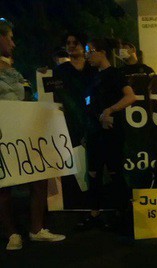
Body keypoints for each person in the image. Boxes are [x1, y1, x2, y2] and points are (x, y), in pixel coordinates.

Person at [0, 17, 65, 251]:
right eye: (10, 38)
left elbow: (28, 98)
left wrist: (46, 101)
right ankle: (12, 234)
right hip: (2, 134)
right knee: (3, 184)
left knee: (39, 177)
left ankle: (36, 229)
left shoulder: (14, 68)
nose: (13, 43)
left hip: (23, 131)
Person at [78, 38, 137, 230]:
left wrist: (110, 110)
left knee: (114, 171)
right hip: (94, 132)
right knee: (93, 172)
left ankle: (123, 214)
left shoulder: (115, 74)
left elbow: (130, 96)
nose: (88, 56)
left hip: (112, 132)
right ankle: (94, 213)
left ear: (102, 52)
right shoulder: (92, 76)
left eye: (90, 51)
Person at [53, 32, 97, 148]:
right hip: (70, 122)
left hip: (93, 120)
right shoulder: (60, 70)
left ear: (83, 46)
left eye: (75, 43)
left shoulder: (93, 68)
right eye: (68, 43)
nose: (71, 46)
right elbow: (57, 95)